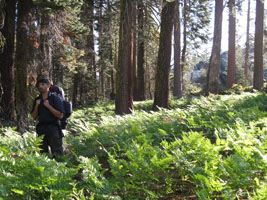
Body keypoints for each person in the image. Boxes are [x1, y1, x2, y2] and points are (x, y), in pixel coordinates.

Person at [31, 78, 65, 157]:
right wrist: (36, 106)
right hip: (41, 129)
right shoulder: (37, 100)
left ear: (49, 86)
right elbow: (34, 116)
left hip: (54, 129)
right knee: (43, 156)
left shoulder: (55, 99)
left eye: (43, 84)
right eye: (39, 85)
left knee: (57, 155)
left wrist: (48, 106)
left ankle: (60, 168)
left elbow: (60, 115)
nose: (40, 86)